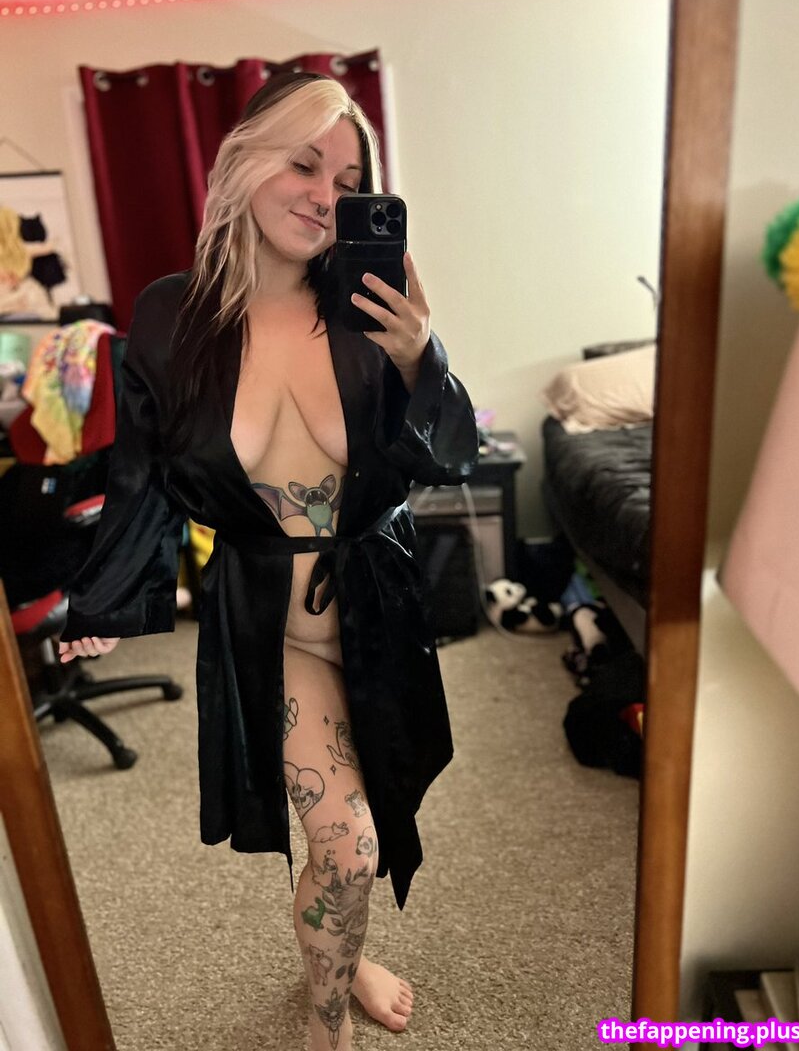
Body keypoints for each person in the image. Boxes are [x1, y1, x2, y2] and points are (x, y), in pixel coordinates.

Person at [58, 71, 478, 1051]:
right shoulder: (172, 318)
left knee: (367, 826)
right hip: (270, 622)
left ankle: (344, 952)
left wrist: (421, 356)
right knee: (349, 844)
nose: (326, 195)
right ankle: (327, 1023)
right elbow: (143, 473)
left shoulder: (372, 305)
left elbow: (450, 453)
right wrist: (106, 605)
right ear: (244, 163)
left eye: (349, 179)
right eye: (302, 164)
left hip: (376, 610)